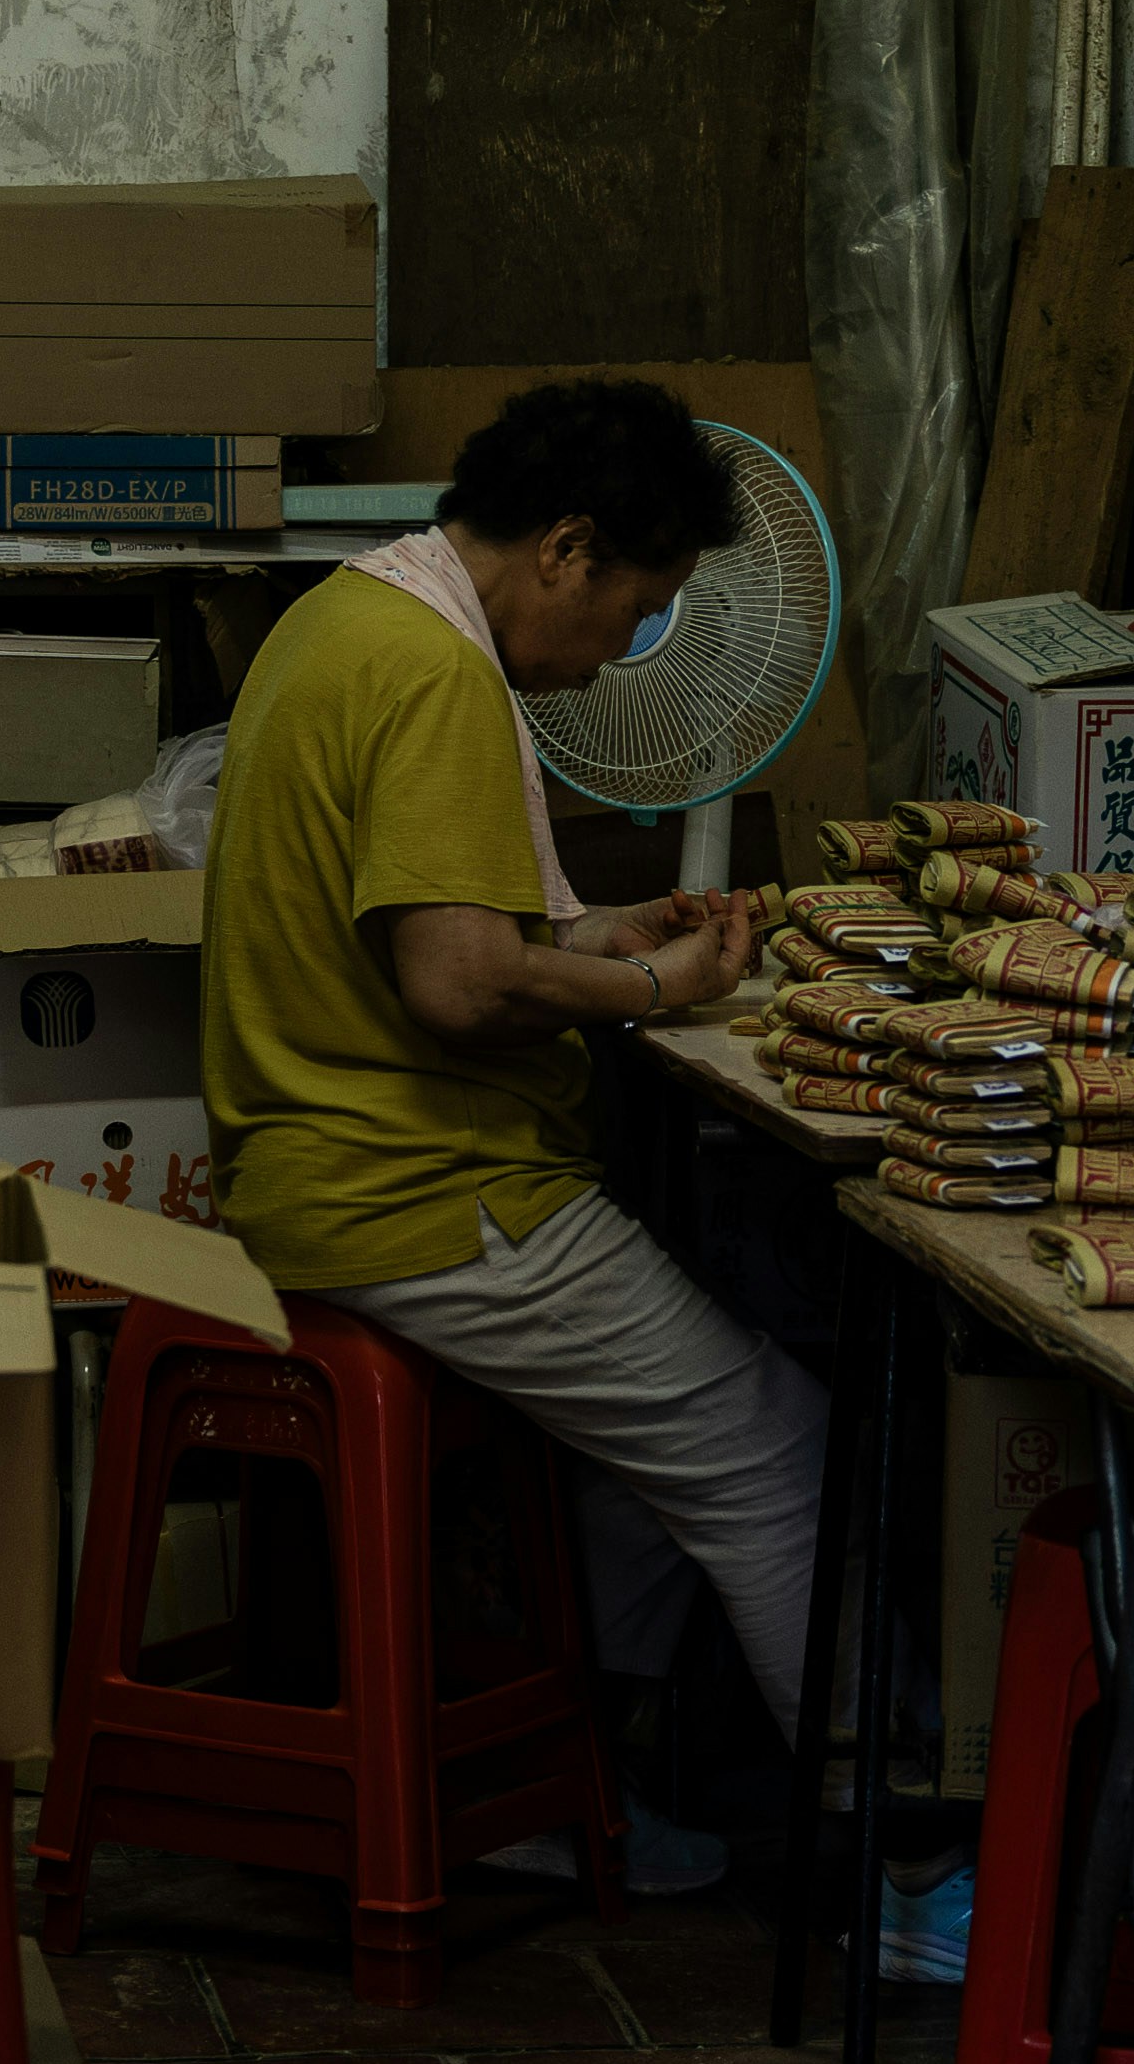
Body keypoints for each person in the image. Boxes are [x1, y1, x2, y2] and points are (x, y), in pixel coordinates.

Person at [199, 376, 825, 1893]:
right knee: (779, 1447)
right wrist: (643, 984)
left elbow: (447, 920)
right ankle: (920, 1855)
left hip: (328, 1159)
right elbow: (461, 983)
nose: (622, 655)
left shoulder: (349, 620)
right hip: (417, 1185)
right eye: (634, 610)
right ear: (566, 549)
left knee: (635, 1459)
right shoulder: (436, 677)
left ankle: (567, 1789)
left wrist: (613, 930)